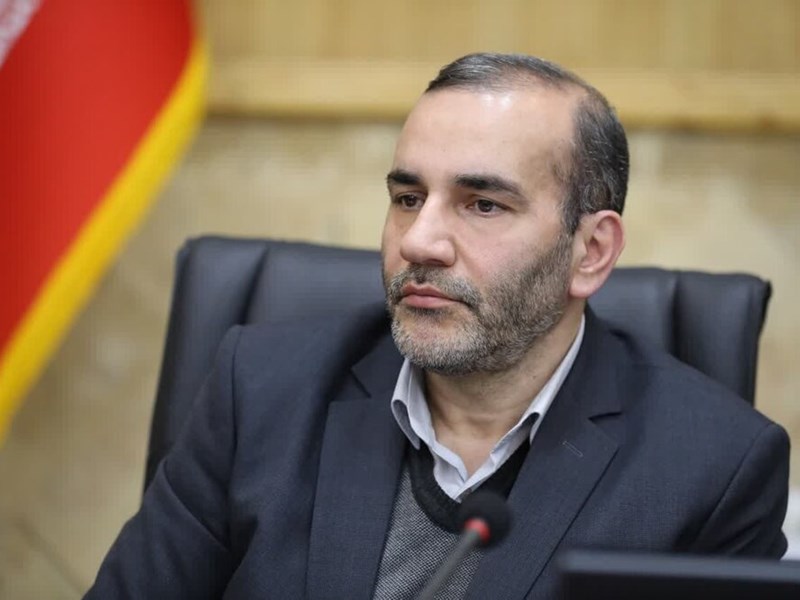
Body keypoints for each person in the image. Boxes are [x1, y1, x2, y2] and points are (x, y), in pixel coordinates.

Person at [86, 53, 790, 599]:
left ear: (591, 251)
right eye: (407, 197)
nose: (419, 242)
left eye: (482, 204)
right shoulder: (261, 391)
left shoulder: (712, 469)